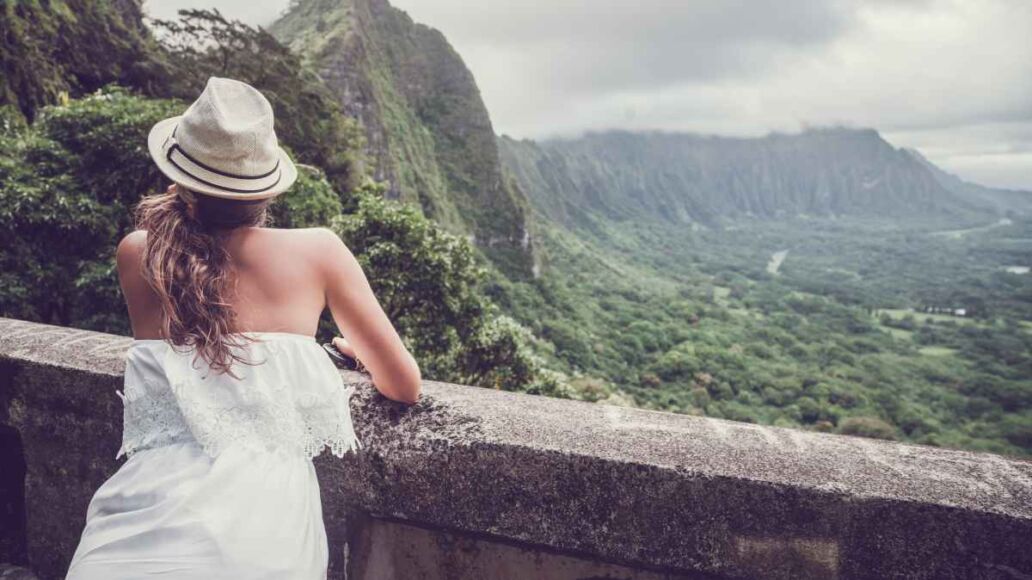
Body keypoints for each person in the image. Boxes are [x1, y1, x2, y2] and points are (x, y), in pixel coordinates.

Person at [65, 77, 421, 579]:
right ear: (266, 186)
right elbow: (404, 386)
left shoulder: (139, 253)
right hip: (264, 538)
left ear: (180, 176)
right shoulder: (320, 251)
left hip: (135, 525)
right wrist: (354, 355)